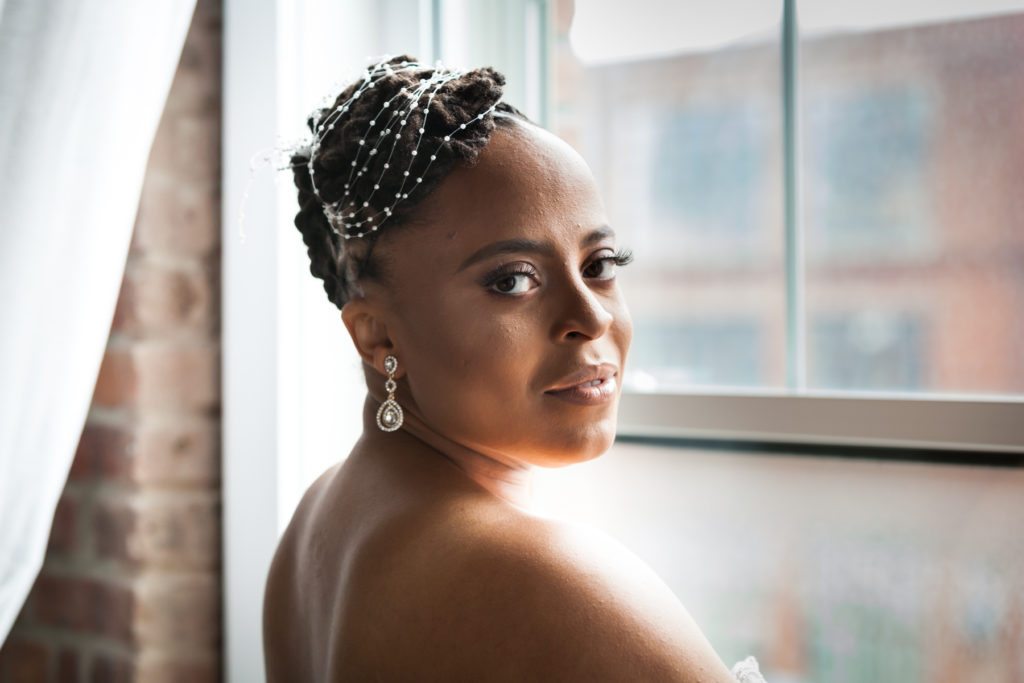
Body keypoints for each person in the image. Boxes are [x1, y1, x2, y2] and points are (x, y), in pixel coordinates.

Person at [262, 54, 767, 682]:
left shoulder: (321, 522)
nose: (591, 317)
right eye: (513, 280)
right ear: (377, 335)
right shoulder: (550, 580)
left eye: (601, 264)